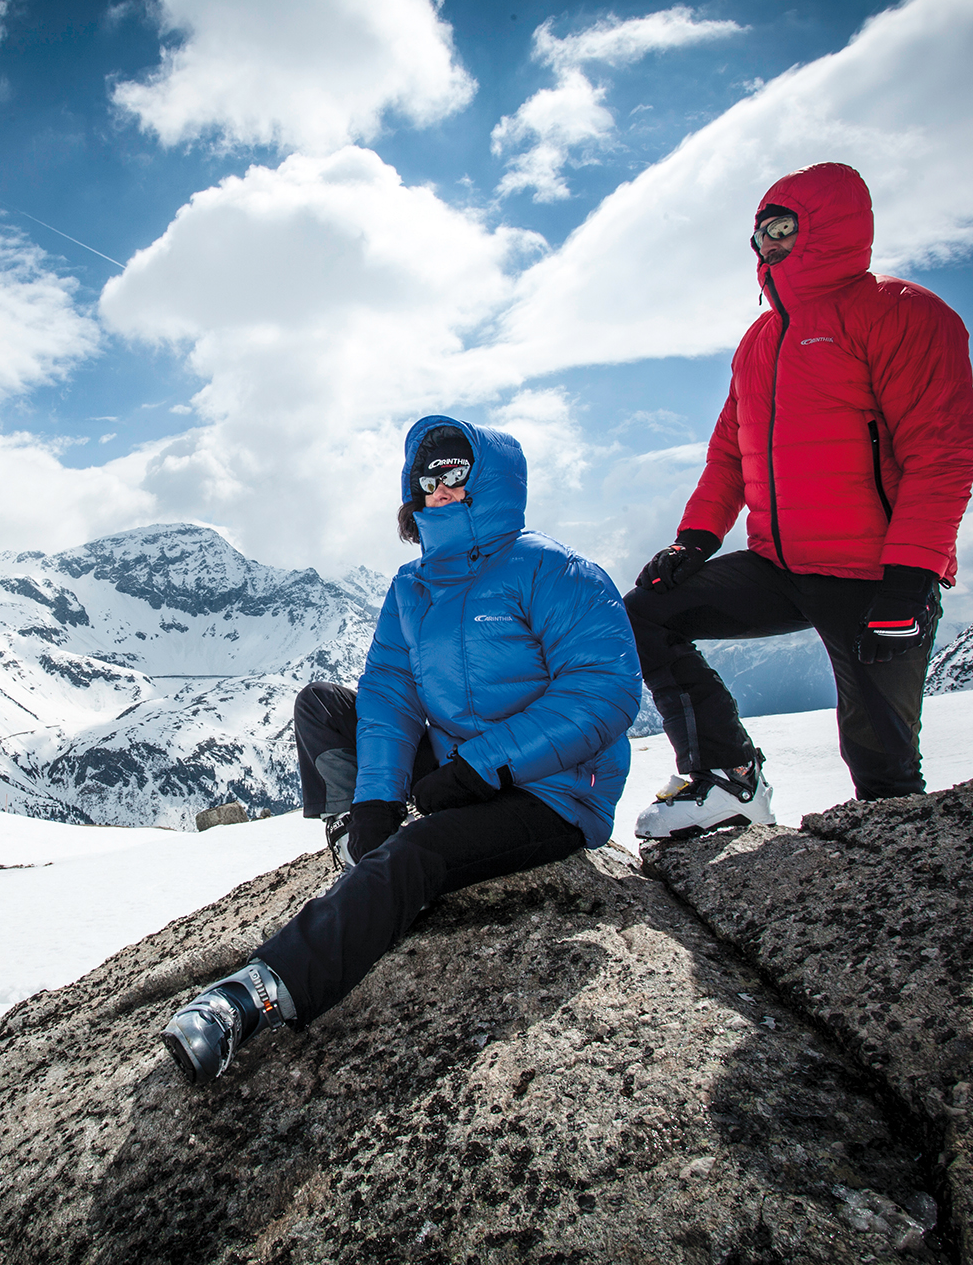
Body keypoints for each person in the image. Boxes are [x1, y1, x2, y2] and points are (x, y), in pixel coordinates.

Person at [160, 417, 641, 1084]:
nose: (439, 489)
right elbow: (388, 694)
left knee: (422, 852)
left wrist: (483, 763)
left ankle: (252, 995)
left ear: (491, 481)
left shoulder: (553, 570)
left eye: (456, 475)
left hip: (552, 790)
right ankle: (358, 853)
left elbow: (606, 689)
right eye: (427, 478)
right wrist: (377, 798)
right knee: (323, 708)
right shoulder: (412, 589)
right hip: (462, 765)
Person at [625, 162, 973, 840]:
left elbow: (944, 453)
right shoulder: (761, 342)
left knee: (883, 770)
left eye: (783, 228)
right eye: (759, 233)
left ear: (831, 229)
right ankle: (728, 777)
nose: (767, 245)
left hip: (877, 579)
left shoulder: (905, 315)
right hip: (782, 566)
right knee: (648, 613)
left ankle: (921, 902)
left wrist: (911, 579)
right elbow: (730, 451)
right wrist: (694, 540)